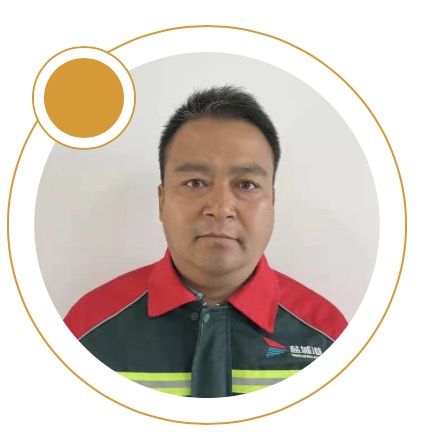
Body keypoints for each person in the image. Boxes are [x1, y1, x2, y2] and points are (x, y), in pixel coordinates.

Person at [64, 85, 348, 398]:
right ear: (162, 201)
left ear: (271, 202)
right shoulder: (88, 332)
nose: (220, 208)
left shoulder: (328, 337)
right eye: (195, 182)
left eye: (247, 184)